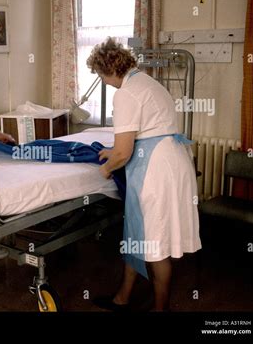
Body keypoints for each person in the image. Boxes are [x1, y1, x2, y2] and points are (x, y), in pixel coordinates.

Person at [87, 38, 201, 312]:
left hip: (156, 170)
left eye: (100, 75)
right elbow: (146, 129)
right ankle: (123, 297)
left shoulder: (125, 93)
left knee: (155, 241)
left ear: (108, 69)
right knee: (140, 233)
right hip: (173, 160)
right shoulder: (147, 83)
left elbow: (125, 152)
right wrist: (112, 151)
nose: (102, 80)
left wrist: (105, 169)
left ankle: (160, 309)